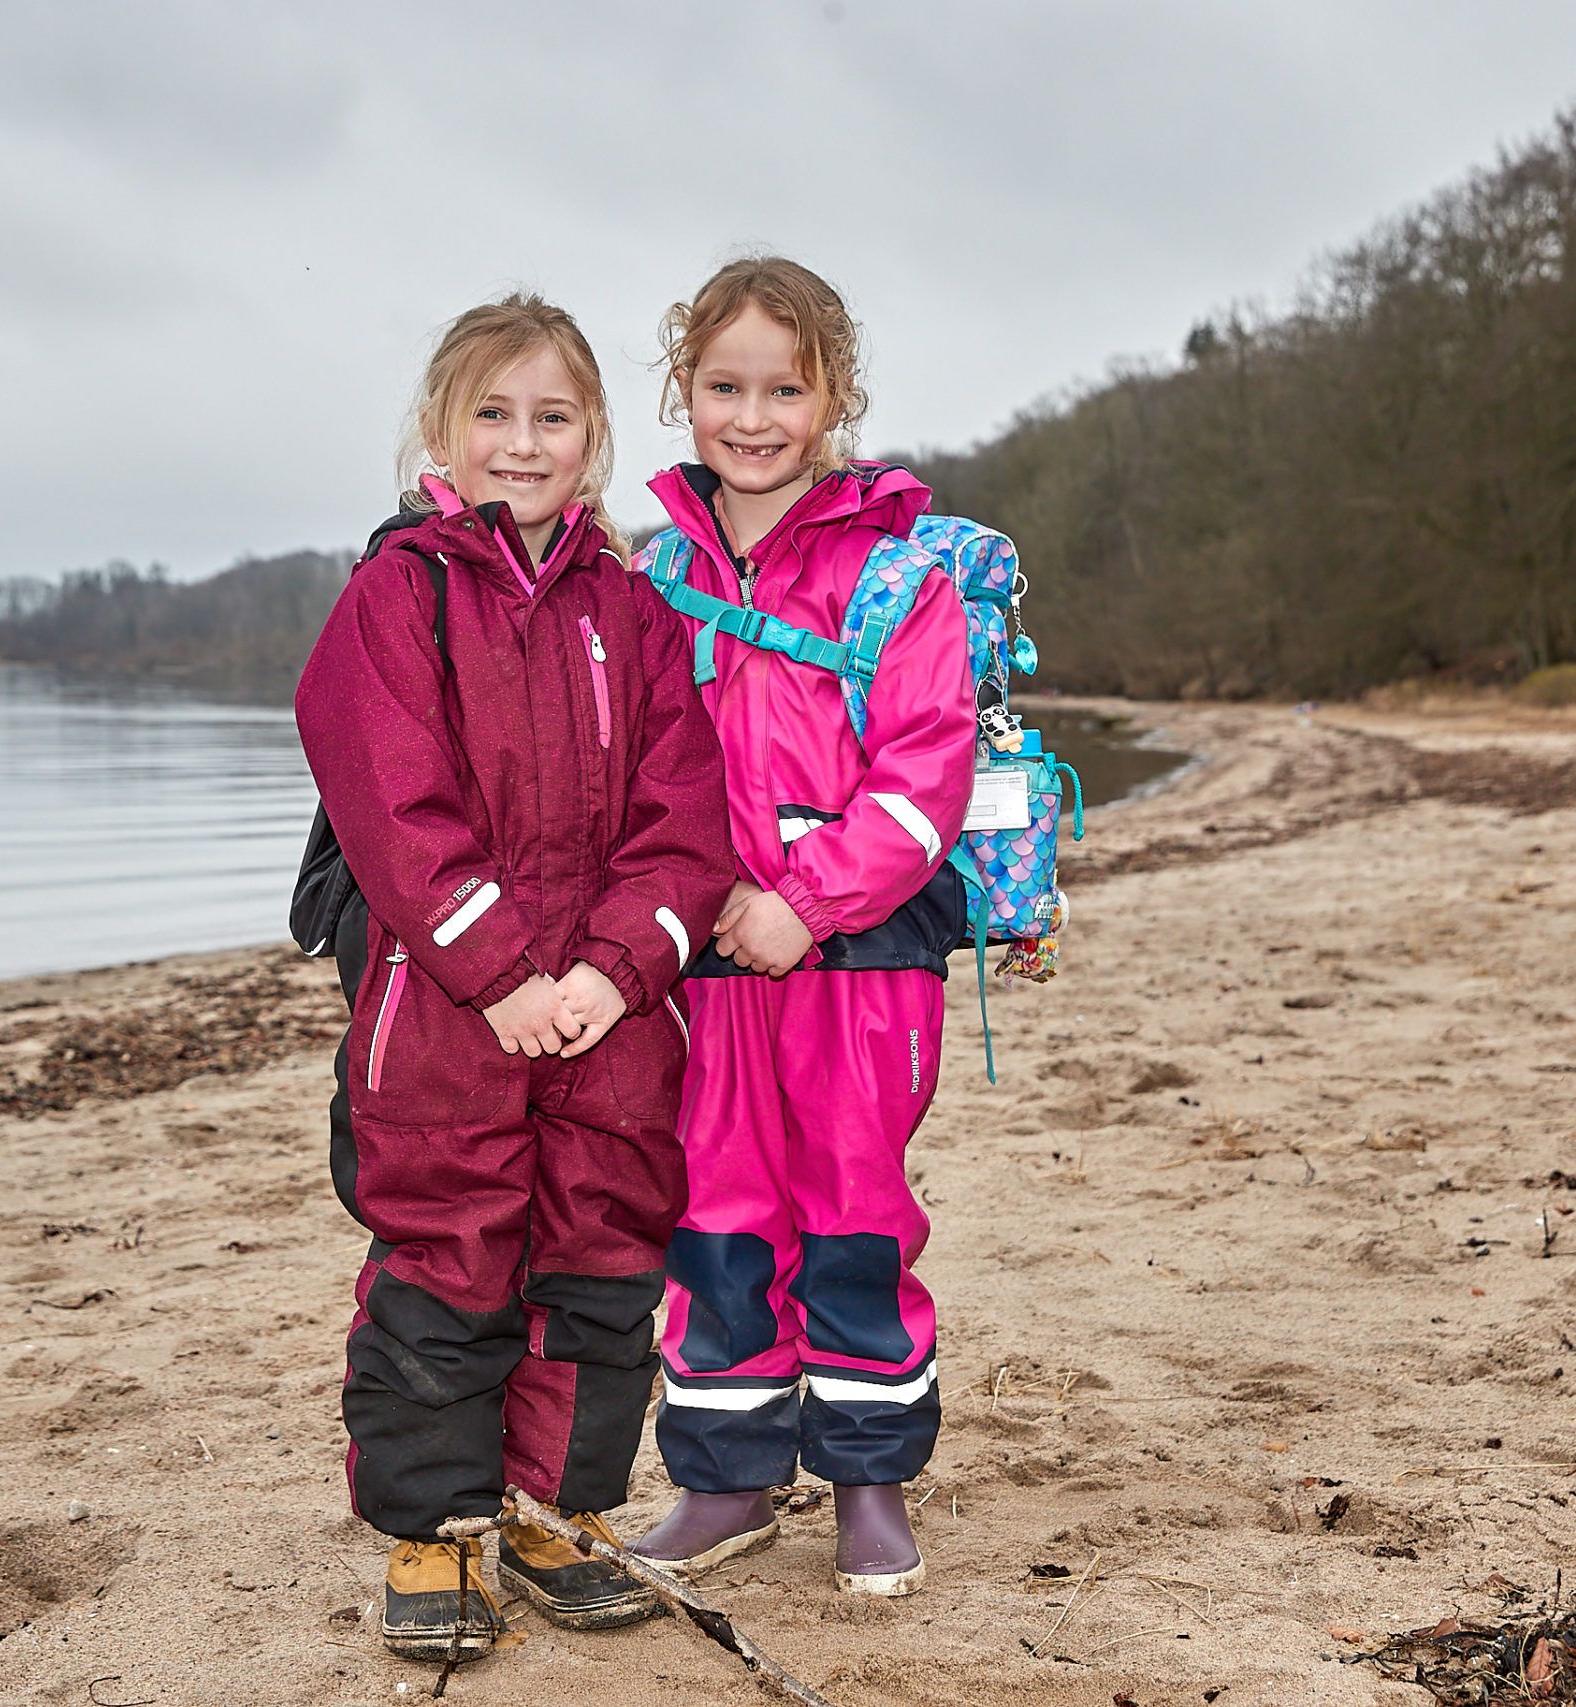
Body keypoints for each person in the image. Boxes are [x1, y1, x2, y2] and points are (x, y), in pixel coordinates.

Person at [294, 295, 733, 1662]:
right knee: (449, 1255)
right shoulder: (398, 592)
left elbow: (686, 816)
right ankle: (435, 1534)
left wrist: (614, 973)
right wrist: (497, 975)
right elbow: (390, 798)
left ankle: (553, 1511)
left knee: (600, 1260)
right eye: (494, 414)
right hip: (443, 1013)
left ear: (592, 439)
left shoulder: (634, 612)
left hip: (607, 1021)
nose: (521, 442)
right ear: (441, 430)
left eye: (551, 418)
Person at [629, 257, 975, 1597]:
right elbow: (636, 766)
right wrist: (706, 900)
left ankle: (870, 1484)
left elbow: (926, 771)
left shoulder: (899, 575)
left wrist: (808, 900)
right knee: (715, 1216)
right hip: (705, 962)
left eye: (786, 387)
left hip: (863, 959)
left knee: (854, 1212)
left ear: (834, 394)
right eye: (725, 386)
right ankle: (723, 1484)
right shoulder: (653, 578)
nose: (755, 415)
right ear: (684, 395)